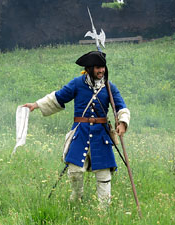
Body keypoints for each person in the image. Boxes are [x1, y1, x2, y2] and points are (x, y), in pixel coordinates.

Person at [23, 51, 130, 207]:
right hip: (80, 133)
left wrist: (122, 122)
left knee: (103, 173)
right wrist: (36, 105)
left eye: (103, 67)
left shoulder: (109, 87)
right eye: (98, 68)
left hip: (101, 135)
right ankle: (76, 200)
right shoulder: (77, 84)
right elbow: (58, 97)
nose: (101, 71)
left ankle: (104, 209)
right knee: (75, 171)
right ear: (89, 69)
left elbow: (121, 106)